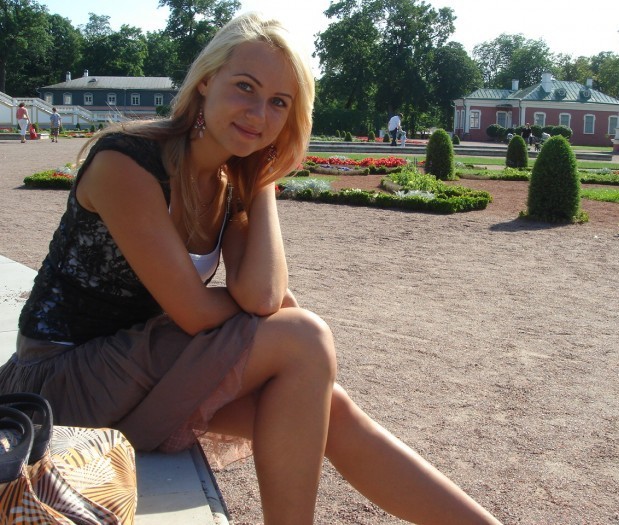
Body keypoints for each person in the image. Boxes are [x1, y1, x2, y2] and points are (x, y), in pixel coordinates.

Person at [0, 13, 502, 525]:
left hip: (136, 378)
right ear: (205, 81)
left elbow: (261, 293)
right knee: (302, 336)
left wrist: (262, 178)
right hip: (61, 384)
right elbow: (197, 312)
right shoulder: (127, 162)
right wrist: (267, 315)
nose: (259, 113)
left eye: (279, 102)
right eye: (245, 87)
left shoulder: (229, 181)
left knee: (328, 407)